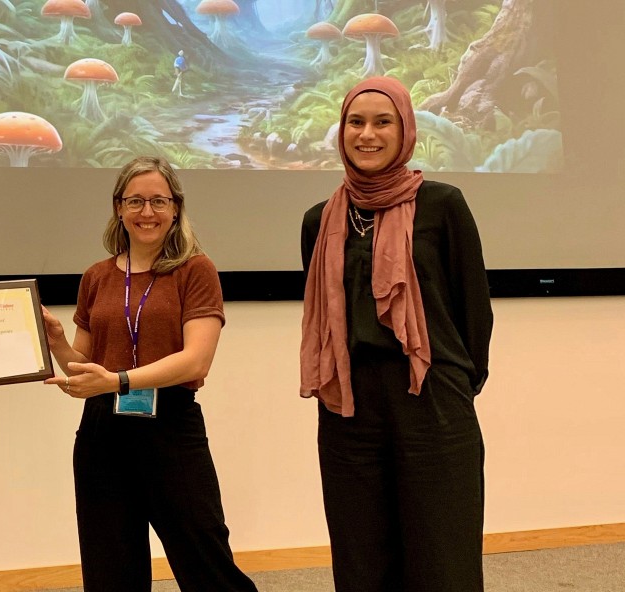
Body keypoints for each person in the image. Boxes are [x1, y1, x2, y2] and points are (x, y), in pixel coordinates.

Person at [299, 77, 493, 592]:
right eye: (355, 122)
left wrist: (452, 385)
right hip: (348, 410)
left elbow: (474, 312)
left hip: (432, 404)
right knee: (361, 558)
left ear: (405, 129)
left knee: (442, 556)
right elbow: (326, 319)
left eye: (382, 122)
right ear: (341, 132)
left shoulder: (443, 205)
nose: (367, 134)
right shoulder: (318, 221)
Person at [41, 156, 257, 592]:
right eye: (135, 201)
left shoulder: (196, 270)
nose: (147, 212)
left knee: (206, 560)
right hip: (102, 431)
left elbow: (197, 360)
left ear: (176, 208)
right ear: (118, 208)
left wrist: (119, 380)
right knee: (110, 568)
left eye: (158, 201)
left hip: (171, 427)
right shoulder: (96, 277)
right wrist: (59, 343)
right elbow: (83, 368)